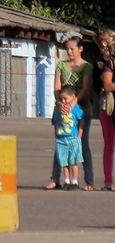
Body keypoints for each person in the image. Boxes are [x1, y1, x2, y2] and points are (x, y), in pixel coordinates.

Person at [45, 36, 96, 190]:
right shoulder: (61, 65)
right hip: (61, 111)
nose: (69, 51)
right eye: (67, 48)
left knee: (81, 144)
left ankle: (89, 181)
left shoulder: (87, 66)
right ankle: (56, 179)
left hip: (81, 109)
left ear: (80, 49)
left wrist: (73, 103)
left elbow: (85, 87)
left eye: (72, 48)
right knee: (60, 143)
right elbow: (57, 86)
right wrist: (61, 103)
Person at [52, 85, 85, 188]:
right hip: (61, 139)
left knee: (74, 161)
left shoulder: (76, 108)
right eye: (61, 99)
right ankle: (66, 181)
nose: (63, 101)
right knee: (64, 162)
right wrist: (57, 135)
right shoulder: (59, 110)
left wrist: (79, 136)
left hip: (73, 138)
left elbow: (81, 121)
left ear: (73, 97)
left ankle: (74, 182)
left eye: (65, 99)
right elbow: (56, 122)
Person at [95, 28, 115, 191]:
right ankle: (108, 181)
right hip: (109, 106)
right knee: (109, 145)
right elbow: (107, 85)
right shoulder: (105, 62)